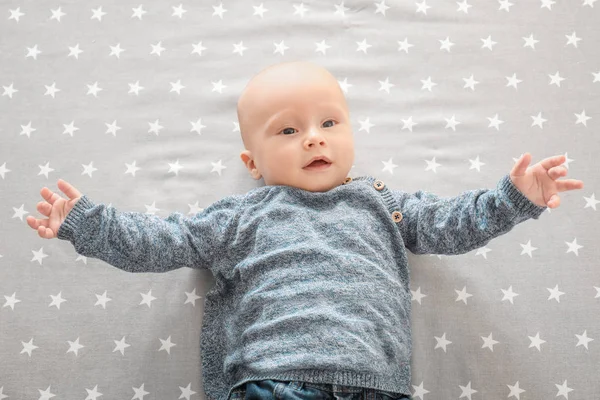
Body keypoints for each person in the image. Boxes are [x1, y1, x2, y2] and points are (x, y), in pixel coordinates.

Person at [25, 61, 584, 400]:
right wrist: (86, 224)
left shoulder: (383, 202)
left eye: (329, 123)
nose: (314, 138)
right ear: (253, 163)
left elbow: (451, 225)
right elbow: (159, 242)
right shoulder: (240, 216)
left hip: (377, 384)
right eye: (288, 130)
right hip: (274, 379)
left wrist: (513, 200)